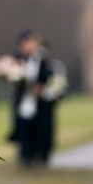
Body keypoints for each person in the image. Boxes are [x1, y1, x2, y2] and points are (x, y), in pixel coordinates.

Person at [11, 29, 67, 168]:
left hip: (42, 107)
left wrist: (44, 91)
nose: (28, 46)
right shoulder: (16, 63)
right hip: (24, 106)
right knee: (24, 132)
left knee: (42, 133)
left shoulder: (50, 64)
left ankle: (41, 157)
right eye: (25, 43)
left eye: (31, 42)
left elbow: (58, 87)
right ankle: (26, 158)